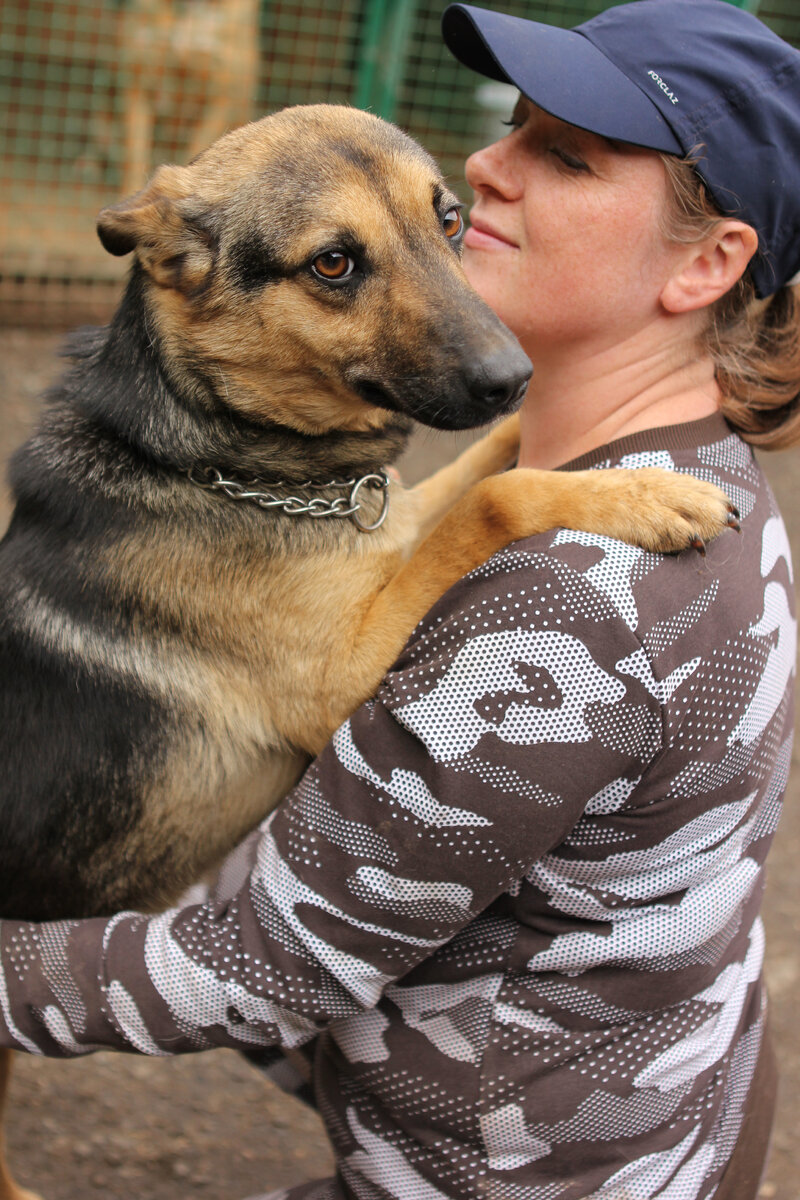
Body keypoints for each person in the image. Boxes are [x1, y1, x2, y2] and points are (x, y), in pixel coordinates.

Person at [1, 1, 799, 1197]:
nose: (486, 168)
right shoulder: (690, 476)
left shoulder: (572, 599)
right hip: (655, 1118)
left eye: (564, 156)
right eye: (511, 130)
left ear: (705, 263)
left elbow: (267, 967)